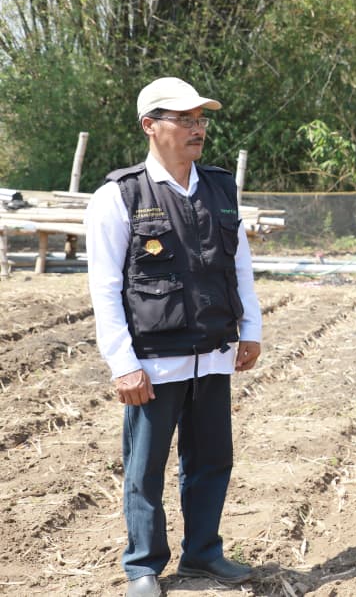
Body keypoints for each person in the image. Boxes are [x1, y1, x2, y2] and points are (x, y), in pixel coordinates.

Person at [86, 77, 262, 597]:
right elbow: (105, 286)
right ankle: (143, 565)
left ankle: (204, 554)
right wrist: (122, 362)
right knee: (145, 468)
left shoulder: (218, 186)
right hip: (153, 361)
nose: (197, 128)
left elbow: (240, 266)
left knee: (211, 461)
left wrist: (249, 329)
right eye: (184, 119)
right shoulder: (119, 195)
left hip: (212, 353)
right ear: (150, 125)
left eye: (200, 119)